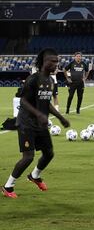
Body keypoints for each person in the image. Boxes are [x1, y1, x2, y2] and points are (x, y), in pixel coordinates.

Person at [1, 48, 70, 199]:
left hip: (40, 124)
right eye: (53, 61)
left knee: (49, 153)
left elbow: (47, 103)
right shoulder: (33, 79)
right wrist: (39, 114)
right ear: (44, 62)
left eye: (57, 61)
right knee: (28, 157)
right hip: (26, 123)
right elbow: (23, 101)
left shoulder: (51, 81)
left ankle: (34, 175)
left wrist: (60, 117)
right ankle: (8, 186)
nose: (56, 64)